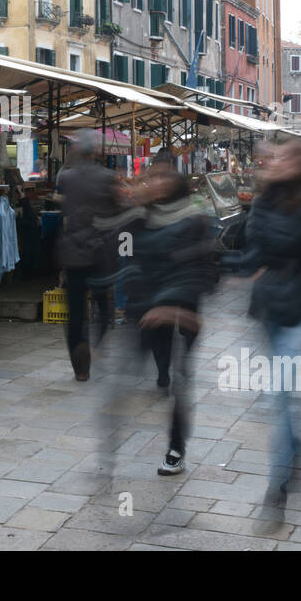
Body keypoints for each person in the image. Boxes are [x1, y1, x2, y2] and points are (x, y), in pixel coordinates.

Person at [239, 142, 301, 518]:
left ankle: (275, 491)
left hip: (296, 307)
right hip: (266, 308)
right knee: (282, 395)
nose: (278, 163)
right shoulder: (264, 202)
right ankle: (298, 450)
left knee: (279, 396)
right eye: (276, 157)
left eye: (287, 158)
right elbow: (253, 248)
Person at [123, 151, 220, 476]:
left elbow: (201, 270)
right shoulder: (141, 219)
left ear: (176, 183)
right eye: (153, 177)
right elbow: (130, 258)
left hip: (184, 308)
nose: (157, 182)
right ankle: (161, 372)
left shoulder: (194, 218)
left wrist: (171, 304)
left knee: (181, 381)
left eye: (164, 177)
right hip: (151, 308)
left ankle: (175, 448)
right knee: (158, 361)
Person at [55, 129, 119, 381]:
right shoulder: (108, 177)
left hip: (73, 251)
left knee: (75, 312)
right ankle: (97, 343)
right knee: (103, 304)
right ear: (96, 151)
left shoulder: (67, 177)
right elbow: (114, 213)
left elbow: (65, 210)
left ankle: (81, 367)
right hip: (100, 250)